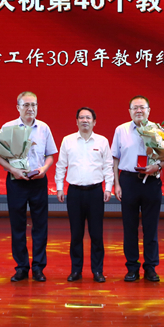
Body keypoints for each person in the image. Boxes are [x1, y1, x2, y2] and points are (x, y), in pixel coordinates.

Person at [0, 91, 57, 282]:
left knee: (40, 225)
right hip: (16, 181)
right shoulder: (8, 127)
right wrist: (12, 170)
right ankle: (21, 267)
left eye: (34, 105)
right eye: (26, 105)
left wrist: (44, 169)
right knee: (17, 225)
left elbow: (50, 155)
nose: (31, 108)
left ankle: (38, 267)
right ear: (18, 107)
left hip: (38, 181)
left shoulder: (44, 128)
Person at [111, 95, 164, 282]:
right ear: (129, 111)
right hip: (128, 181)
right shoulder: (121, 130)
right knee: (129, 227)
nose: (139, 111)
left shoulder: (159, 130)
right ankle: (132, 267)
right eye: (135, 108)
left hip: (151, 181)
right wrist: (116, 184)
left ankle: (151, 268)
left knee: (151, 227)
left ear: (149, 110)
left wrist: (158, 166)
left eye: (142, 107)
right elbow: (115, 158)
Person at [55, 107, 113, 283]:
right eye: (81, 118)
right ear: (77, 121)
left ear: (94, 122)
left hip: (95, 192)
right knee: (76, 234)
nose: (85, 120)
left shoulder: (102, 141)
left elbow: (108, 166)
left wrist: (108, 188)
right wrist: (59, 188)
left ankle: (98, 270)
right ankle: (76, 270)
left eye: (88, 118)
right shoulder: (68, 140)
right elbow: (61, 165)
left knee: (97, 234)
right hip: (74, 192)